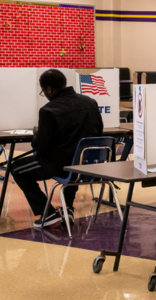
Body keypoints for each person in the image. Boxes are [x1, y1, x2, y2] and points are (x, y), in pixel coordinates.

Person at [11, 69, 103, 227]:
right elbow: (99, 132)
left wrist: (36, 134)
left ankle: (47, 214)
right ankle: (68, 208)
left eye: (44, 91)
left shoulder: (49, 110)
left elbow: (41, 147)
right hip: (89, 164)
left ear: (49, 89)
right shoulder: (90, 102)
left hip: (59, 166)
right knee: (75, 159)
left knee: (16, 169)